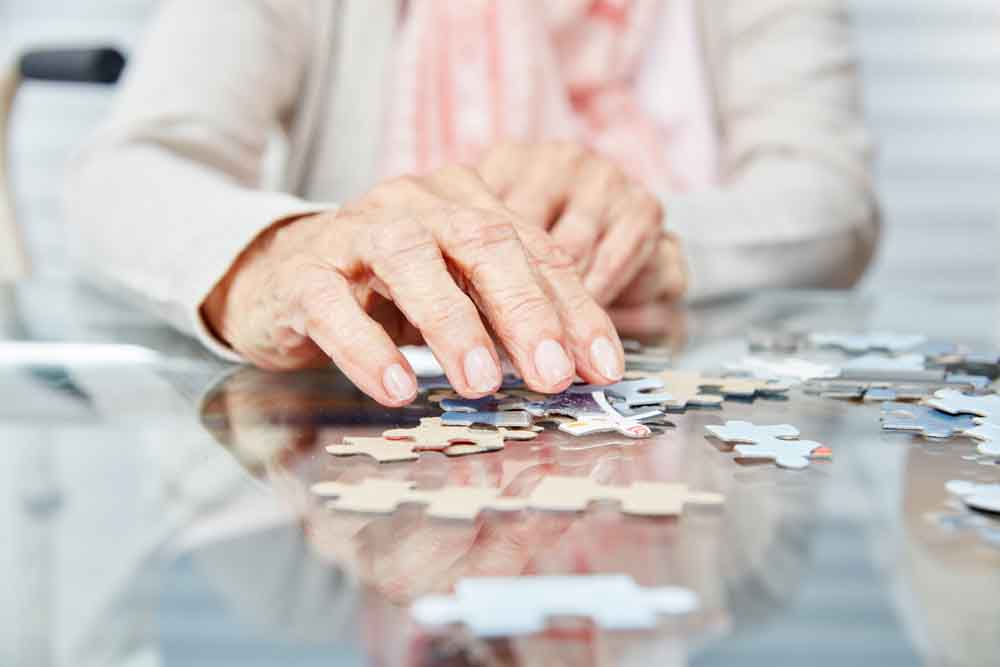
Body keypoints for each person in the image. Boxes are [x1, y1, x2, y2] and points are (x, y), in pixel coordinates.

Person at [66, 0, 878, 406]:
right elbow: (126, 169)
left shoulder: (742, 578)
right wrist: (278, 252)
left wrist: (647, 240)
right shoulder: (299, 598)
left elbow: (831, 200)